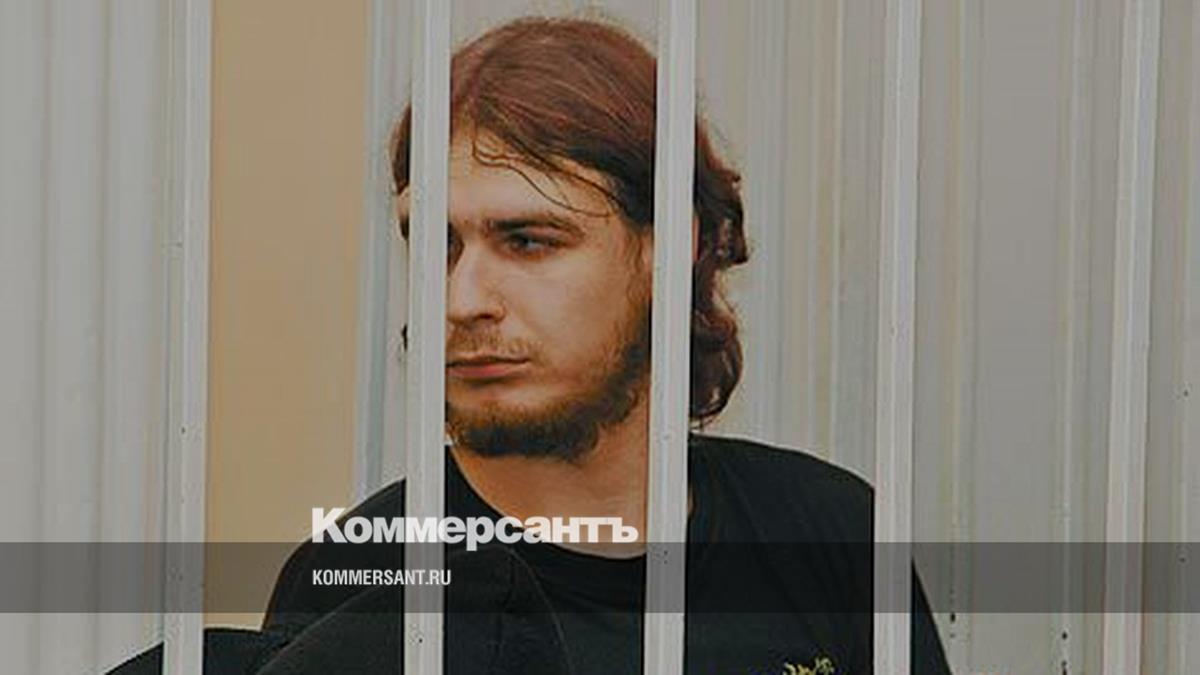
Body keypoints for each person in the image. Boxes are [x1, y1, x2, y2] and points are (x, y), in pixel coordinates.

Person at [112, 15, 952, 675]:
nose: (461, 299)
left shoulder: (831, 535)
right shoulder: (364, 574)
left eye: (527, 240)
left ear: (671, 245)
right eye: (435, 245)